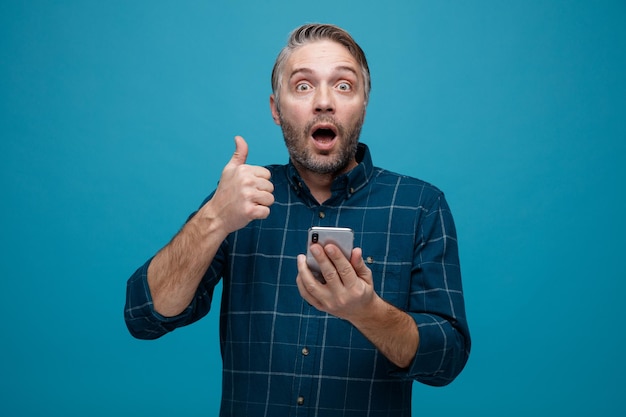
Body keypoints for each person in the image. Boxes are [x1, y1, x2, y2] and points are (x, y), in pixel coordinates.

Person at [124, 23, 470, 416]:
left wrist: (367, 312)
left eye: (343, 85)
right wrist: (214, 218)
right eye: (304, 86)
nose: (324, 102)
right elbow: (145, 316)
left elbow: (448, 359)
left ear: (364, 102)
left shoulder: (419, 206)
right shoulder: (238, 199)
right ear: (276, 109)